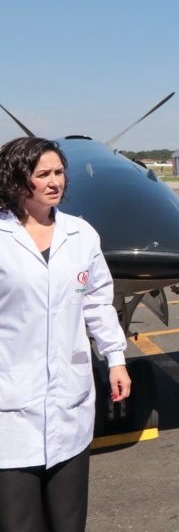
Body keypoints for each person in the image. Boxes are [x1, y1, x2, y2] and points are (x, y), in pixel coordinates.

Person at [0, 137, 131, 532]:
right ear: (18, 179)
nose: (55, 181)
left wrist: (116, 360)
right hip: (11, 404)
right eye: (43, 174)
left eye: (59, 172)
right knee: (18, 523)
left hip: (69, 402)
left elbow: (96, 304)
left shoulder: (81, 235)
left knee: (69, 523)